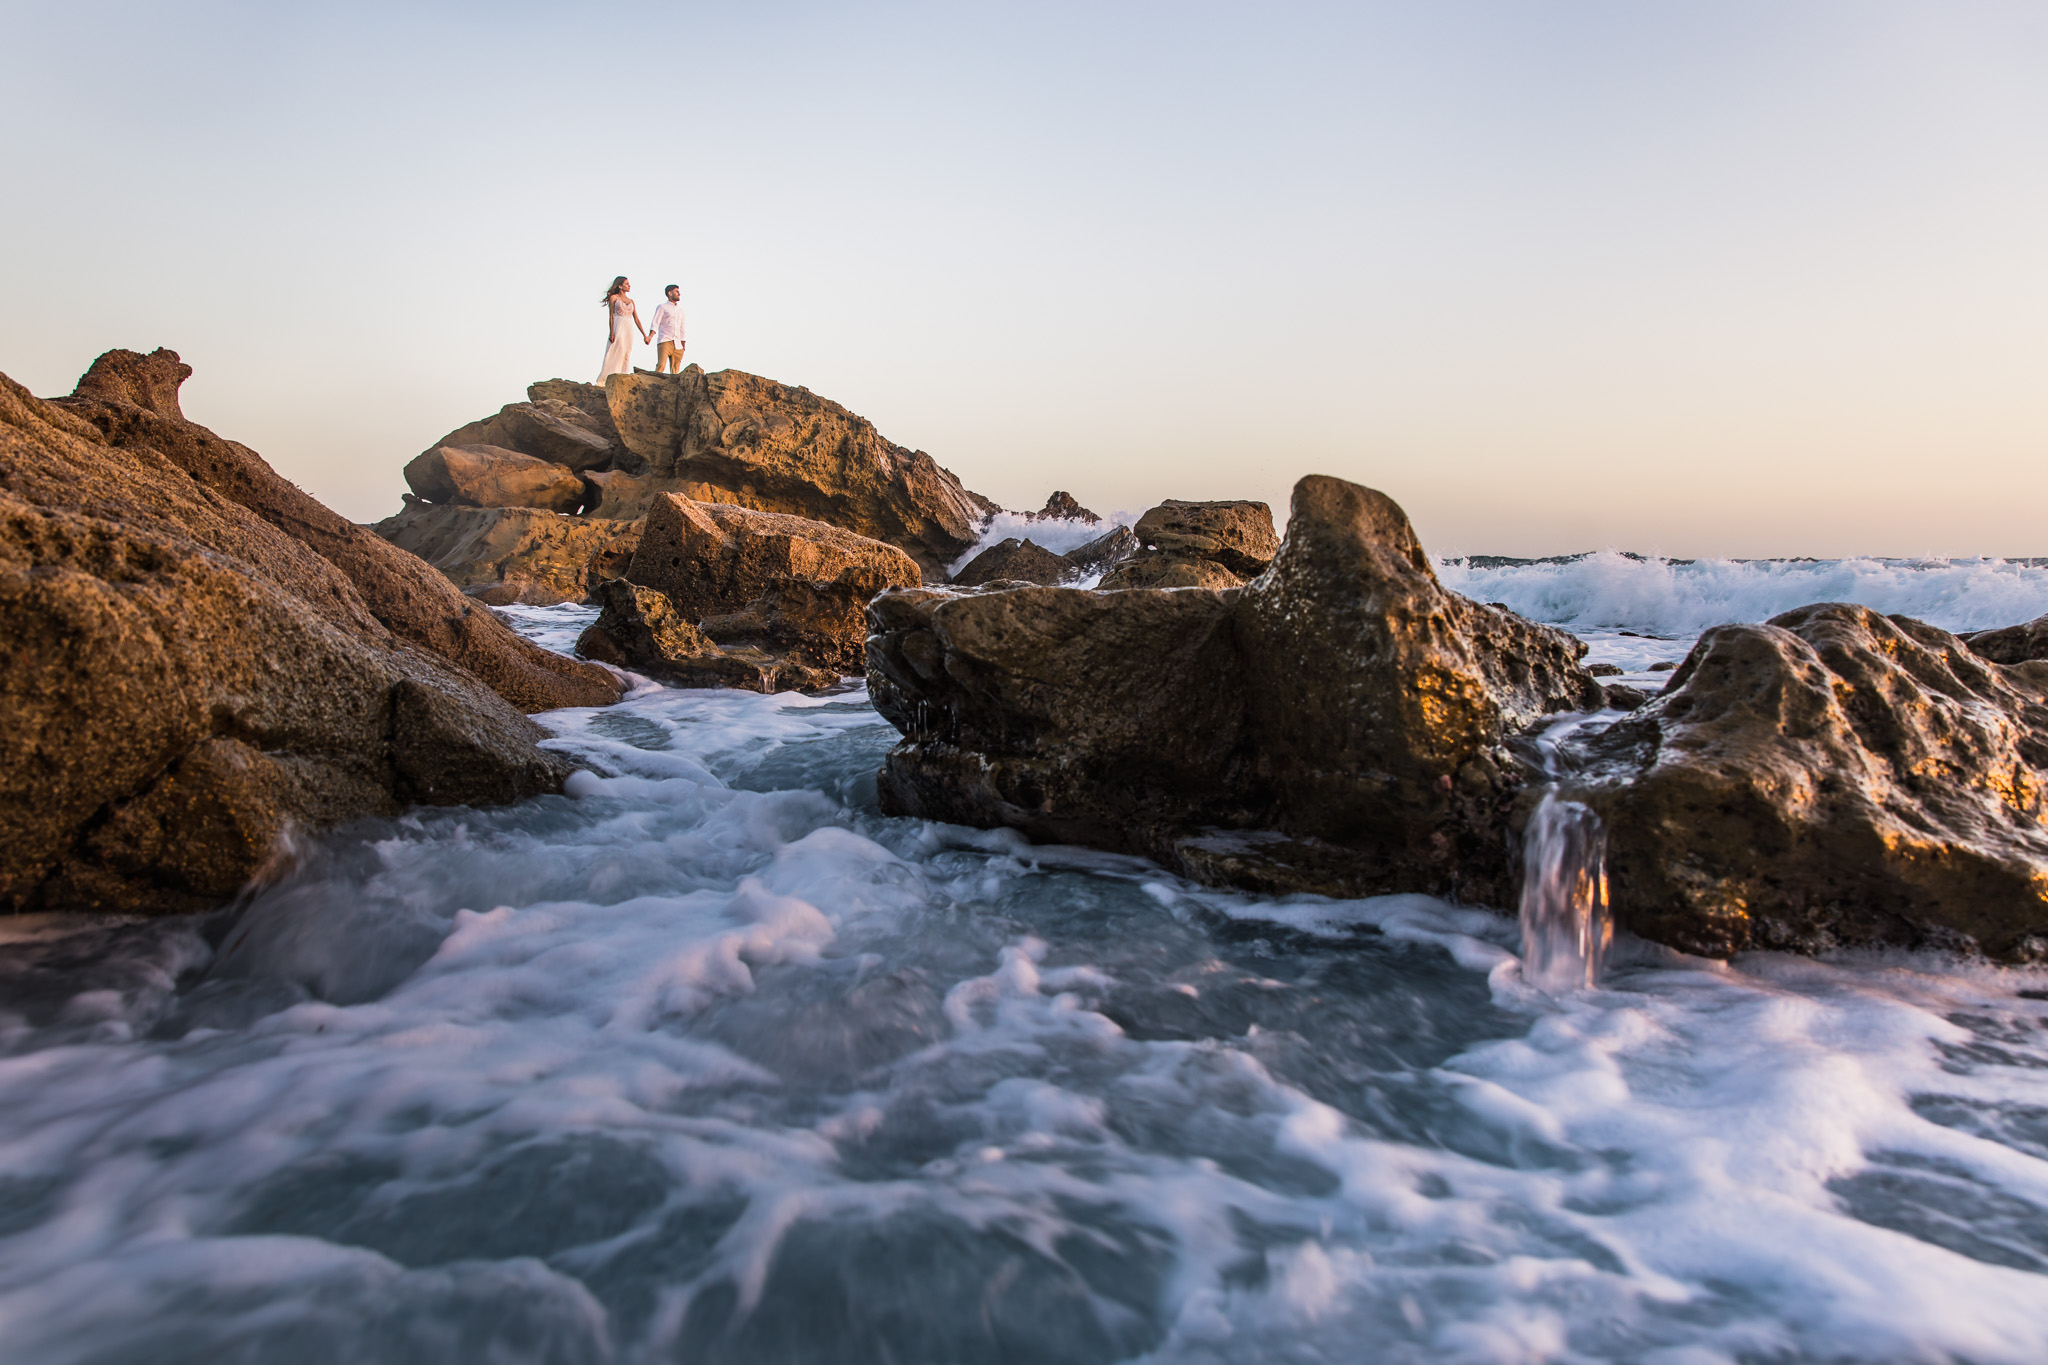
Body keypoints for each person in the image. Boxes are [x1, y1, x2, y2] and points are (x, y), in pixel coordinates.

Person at [597, 276, 649, 381]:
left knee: (626, 351)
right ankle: (607, 376)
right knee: (617, 348)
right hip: (618, 325)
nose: (629, 286)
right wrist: (611, 332)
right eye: (626, 284)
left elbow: (637, 319)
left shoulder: (631, 301)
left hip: (628, 327)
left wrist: (644, 334)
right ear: (620, 286)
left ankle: (622, 375)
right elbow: (611, 316)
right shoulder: (614, 298)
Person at [649, 284, 686, 373]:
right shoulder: (662, 307)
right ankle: (654, 384)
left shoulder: (681, 310)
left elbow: (682, 328)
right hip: (665, 340)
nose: (679, 293)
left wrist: (683, 343)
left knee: (675, 370)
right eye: (676, 291)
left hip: (678, 344)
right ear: (670, 293)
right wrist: (650, 337)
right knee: (661, 365)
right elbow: (655, 323)